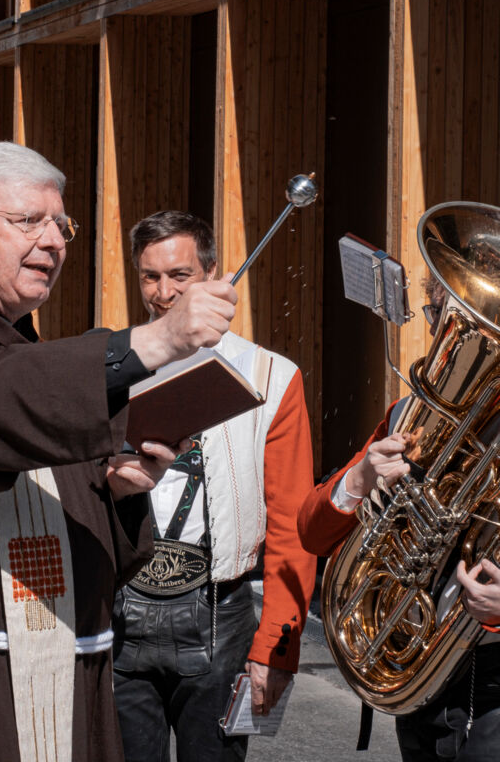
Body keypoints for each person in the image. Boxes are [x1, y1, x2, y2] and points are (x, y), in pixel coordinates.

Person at [0, 142, 240, 762]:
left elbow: (72, 517)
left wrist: (119, 492)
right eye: (30, 221)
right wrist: (152, 340)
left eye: (62, 224)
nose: (55, 240)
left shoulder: (14, 348)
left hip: (53, 666)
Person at [111, 210, 316, 762]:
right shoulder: (113, 367)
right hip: (123, 611)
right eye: (150, 276)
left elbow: (292, 521)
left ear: (212, 273)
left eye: (180, 275)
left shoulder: (273, 375)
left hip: (221, 615)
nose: (164, 292)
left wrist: (277, 645)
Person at [298, 282, 500, 762]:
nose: (451, 336)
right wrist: (361, 477)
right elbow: (313, 532)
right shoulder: (405, 416)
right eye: (443, 315)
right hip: (419, 676)